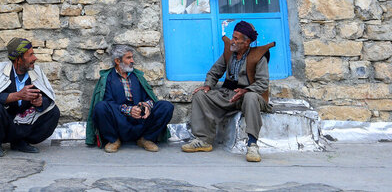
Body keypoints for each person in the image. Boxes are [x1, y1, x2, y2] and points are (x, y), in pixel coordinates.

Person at [181, 21, 274, 162]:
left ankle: (252, 144)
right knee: (200, 95)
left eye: (236, 39)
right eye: (232, 37)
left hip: (250, 95)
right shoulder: (229, 53)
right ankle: (204, 140)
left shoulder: (258, 56)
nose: (232, 41)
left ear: (247, 42)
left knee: (250, 97)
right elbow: (214, 72)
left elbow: (262, 83)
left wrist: (245, 90)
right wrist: (208, 85)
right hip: (229, 95)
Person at [0, 37, 60, 157]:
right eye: (30, 55)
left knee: (53, 112)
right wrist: (16, 96)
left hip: (23, 123)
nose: (34, 58)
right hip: (4, 122)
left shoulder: (36, 72)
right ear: (18, 59)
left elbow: (48, 97)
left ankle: (20, 142)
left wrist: (40, 102)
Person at [86, 44, 174, 153]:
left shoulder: (137, 76)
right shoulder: (108, 78)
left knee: (166, 106)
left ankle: (146, 139)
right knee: (100, 107)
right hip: (119, 121)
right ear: (117, 61)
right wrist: (129, 110)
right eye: (128, 58)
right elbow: (108, 103)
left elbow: (149, 98)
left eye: (132, 57)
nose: (132, 61)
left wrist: (146, 106)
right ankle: (113, 140)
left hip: (140, 120)